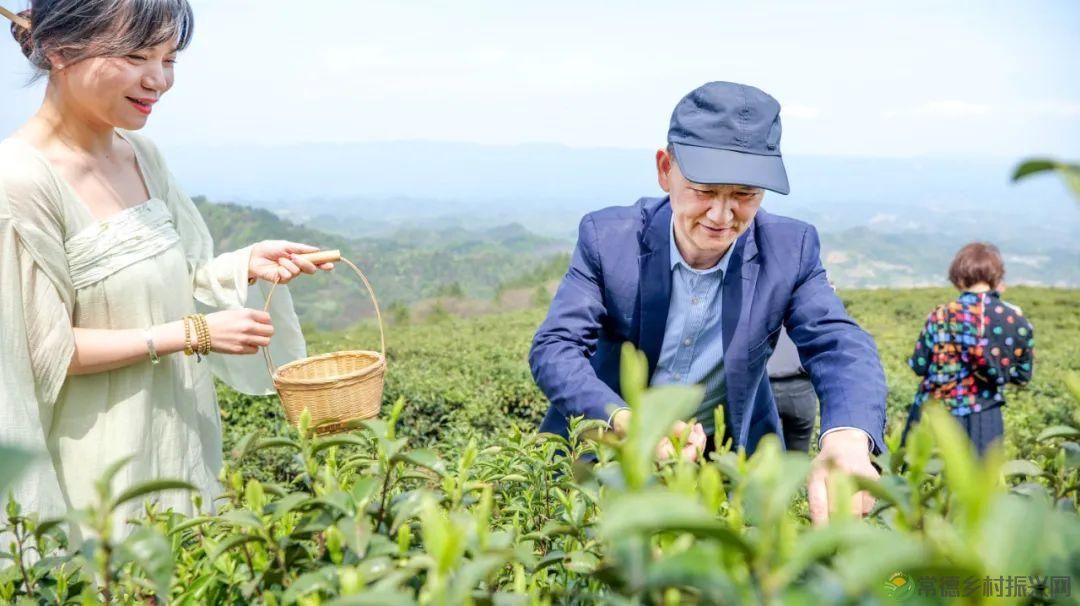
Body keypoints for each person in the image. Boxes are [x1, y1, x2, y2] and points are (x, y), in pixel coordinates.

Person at [0, 0, 332, 536]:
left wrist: (243, 266)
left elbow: (178, 274)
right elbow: (40, 349)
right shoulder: (18, 181)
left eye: (169, 59)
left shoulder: (140, 153)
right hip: (98, 471)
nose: (158, 80)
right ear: (60, 50)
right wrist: (194, 333)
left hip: (179, 443)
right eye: (136, 55)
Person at [529, 81, 887, 525]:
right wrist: (626, 422)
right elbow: (556, 347)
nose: (721, 216)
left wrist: (848, 438)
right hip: (605, 456)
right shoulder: (609, 239)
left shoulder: (789, 249)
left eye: (745, 195)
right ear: (665, 170)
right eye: (703, 189)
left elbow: (839, 344)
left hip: (728, 464)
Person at [904, 242, 1034, 454]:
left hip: (936, 414)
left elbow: (919, 365)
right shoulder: (1015, 319)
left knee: (925, 482)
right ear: (996, 276)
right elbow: (1022, 376)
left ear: (959, 277)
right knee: (979, 484)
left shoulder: (940, 315)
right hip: (984, 416)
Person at [767, 326, 817, 453]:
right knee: (797, 459)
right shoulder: (804, 309)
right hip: (801, 389)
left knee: (763, 456)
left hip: (763, 387)